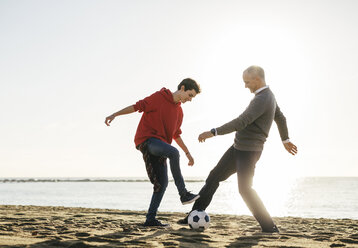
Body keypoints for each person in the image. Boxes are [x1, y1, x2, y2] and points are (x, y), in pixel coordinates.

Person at [178, 66, 298, 232]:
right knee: (214, 177)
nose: (245, 85)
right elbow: (280, 118)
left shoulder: (263, 99)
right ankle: (193, 215)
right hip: (238, 148)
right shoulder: (267, 96)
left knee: (245, 189)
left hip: (249, 152)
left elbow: (242, 121)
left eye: (247, 82)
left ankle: (269, 227)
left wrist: (213, 132)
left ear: (257, 79)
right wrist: (285, 139)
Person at [105, 78, 201, 227]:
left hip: (161, 146)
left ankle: (150, 219)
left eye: (192, 97)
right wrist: (114, 115)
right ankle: (183, 194)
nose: (190, 99)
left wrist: (188, 153)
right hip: (147, 140)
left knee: (162, 184)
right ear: (182, 88)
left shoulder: (179, 112)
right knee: (174, 153)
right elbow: (137, 106)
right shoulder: (159, 97)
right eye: (190, 95)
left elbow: (176, 134)